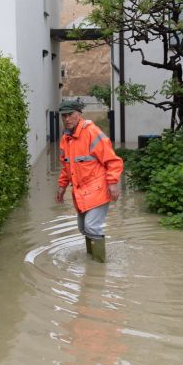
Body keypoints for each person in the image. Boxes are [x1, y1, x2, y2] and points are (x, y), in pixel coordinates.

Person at [55, 98, 123, 263]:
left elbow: (113, 161)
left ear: (79, 114)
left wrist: (113, 184)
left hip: (98, 189)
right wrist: (62, 186)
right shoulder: (66, 139)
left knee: (92, 227)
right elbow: (66, 167)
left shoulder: (92, 132)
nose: (66, 119)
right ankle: (92, 260)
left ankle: (99, 267)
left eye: (70, 114)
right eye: (63, 115)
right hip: (81, 193)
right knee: (83, 228)